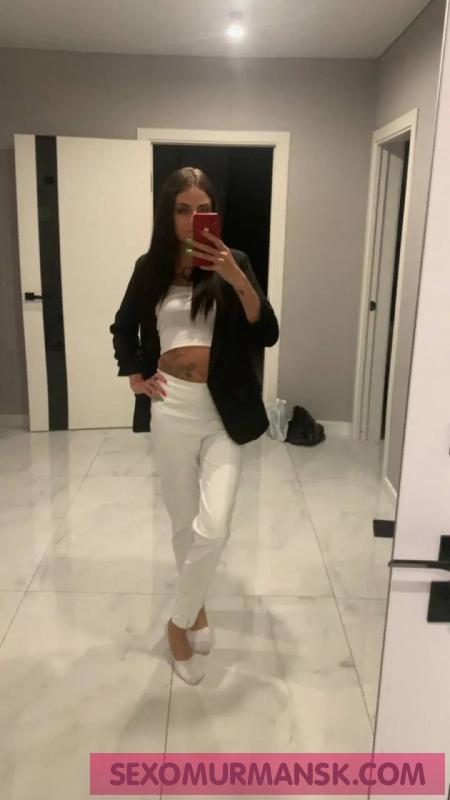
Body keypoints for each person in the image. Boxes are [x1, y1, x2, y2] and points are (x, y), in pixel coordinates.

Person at [110, 167, 279, 685]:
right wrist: (135, 376)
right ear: (169, 214)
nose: (191, 219)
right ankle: (198, 610)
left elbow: (267, 332)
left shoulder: (235, 262)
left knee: (215, 525)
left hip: (223, 411)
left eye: (201, 209)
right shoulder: (150, 267)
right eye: (182, 209)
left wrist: (235, 279)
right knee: (185, 524)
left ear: (214, 213)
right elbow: (123, 327)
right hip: (171, 408)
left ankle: (177, 623)